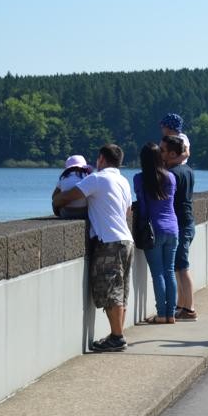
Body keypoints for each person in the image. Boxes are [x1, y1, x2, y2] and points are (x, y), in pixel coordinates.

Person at [52, 144, 133, 352]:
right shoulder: (123, 181)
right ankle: (117, 335)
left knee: (110, 290)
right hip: (126, 240)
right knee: (121, 290)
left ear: (101, 160)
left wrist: (56, 194)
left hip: (109, 241)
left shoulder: (97, 179)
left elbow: (68, 197)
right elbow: (128, 210)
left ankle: (117, 337)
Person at [133, 142, 180, 324]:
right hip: (172, 228)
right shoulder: (171, 177)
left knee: (157, 273)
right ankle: (171, 314)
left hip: (154, 230)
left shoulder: (139, 178)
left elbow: (143, 207)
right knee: (169, 271)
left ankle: (161, 314)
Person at [161, 135, 197, 321]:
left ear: (173, 153)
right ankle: (182, 306)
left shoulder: (173, 174)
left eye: (163, 151)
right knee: (179, 267)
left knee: (182, 267)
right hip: (188, 222)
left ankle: (190, 309)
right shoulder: (187, 170)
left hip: (181, 225)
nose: (160, 154)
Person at [53, 154, 93, 218]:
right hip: (85, 213)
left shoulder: (63, 178)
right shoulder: (87, 177)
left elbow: (54, 196)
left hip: (66, 213)